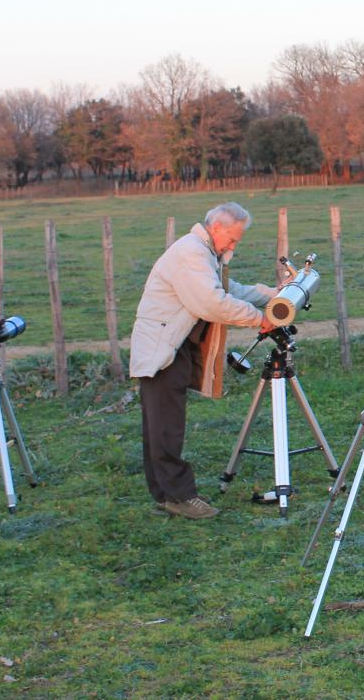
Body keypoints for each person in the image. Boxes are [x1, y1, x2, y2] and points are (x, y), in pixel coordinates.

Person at [130, 202, 277, 519]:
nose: (234, 246)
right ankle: (179, 497)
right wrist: (260, 319)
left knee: (162, 424)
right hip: (162, 349)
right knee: (165, 426)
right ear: (216, 228)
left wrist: (270, 294)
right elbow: (212, 303)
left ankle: (165, 492)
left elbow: (228, 289)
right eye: (233, 239)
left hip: (173, 344)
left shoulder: (204, 252)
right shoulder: (192, 253)